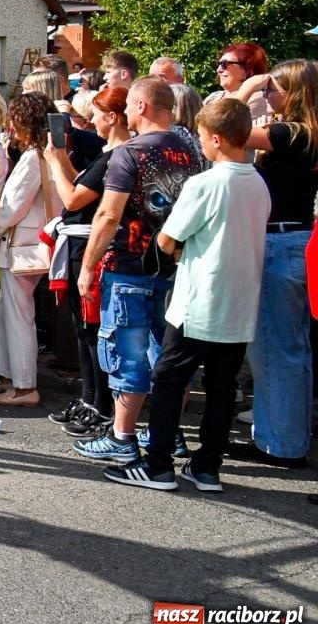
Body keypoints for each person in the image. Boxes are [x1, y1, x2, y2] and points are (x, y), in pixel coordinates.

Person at [104, 98, 270, 491]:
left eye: (201, 137)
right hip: (241, 298)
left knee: (169, 377)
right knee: (221, 385)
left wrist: (174, 249)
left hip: (200, 298)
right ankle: (207, 465)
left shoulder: (206, 182)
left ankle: (158, 464)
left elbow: (166, 238)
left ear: (214, 138)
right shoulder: (259, 183)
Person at [73, 78, 205, 465]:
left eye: (130, 106)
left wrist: (88, 265)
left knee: (126, 353)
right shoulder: (193, 151)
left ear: (143, 106)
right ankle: (170, 432)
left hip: (130, 265)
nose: (127, 113)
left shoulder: (129, 152)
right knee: (170, 354)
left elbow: (109, 214)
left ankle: (122, 436)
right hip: (177, 267)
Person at [233, 58, 318, 468]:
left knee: (272, 348)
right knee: (291, 348)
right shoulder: (305, 134)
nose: (268, 94)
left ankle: (281, 444)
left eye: (274, 88)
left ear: (294, 92)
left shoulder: (289, 133)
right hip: (296, 238)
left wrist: (246, 89)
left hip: (281, 242)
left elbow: (220, 126)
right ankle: (286, 436)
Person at [44, 85, 131, 437]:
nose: (90, 121)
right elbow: (81, 183)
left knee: (92, 331)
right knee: (83, 331)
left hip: (91, 246)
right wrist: (62, 156)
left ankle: (100, 404)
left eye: (95, 114)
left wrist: (53, 166)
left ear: (113, 117)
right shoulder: (108, 152)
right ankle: (89, 397)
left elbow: (74, 199)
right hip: (81, 243)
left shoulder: (116, 156)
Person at [0, 92, 63, 408]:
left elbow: (11, 207)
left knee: (17, 314)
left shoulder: (33, 158)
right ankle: (12, 378)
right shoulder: (51, 152)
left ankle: (23, 385)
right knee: (11, 311)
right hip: (34, 240)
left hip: (24, 243)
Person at [204, 41, 271, 126]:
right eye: (218, 64)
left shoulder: (258, 99)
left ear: (246, 70)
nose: (218, 70)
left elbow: (220, 126)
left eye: (224, 64)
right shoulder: (213, 97)